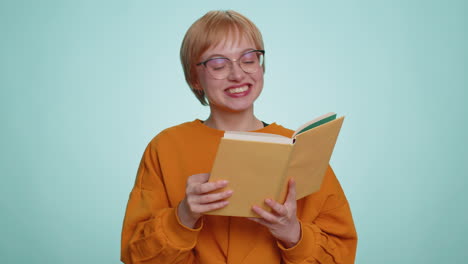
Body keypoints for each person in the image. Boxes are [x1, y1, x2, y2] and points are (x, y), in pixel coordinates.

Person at [121, 10, 357, 264]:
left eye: (248, 59)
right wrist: (183, 215)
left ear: (261, 66)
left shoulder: (299, 148)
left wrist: (292, 233)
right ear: (194, 78)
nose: (237, 74)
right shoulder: (166, 147)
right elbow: (136, 255)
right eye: (218, 64)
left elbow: (340, 255)